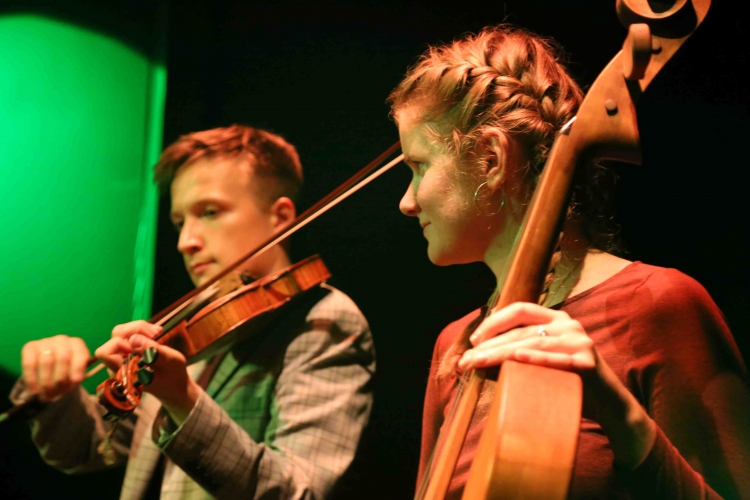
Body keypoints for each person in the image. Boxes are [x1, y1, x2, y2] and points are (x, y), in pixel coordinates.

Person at [388, 26, 750, 499]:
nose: (407, 202)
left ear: (490, 159)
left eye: (418, 166)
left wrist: (621, 415)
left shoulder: (658, 304)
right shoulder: (456, 345)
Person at [11, 125, 375, 499]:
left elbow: (300, 492)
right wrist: (55, 389)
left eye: (210, 212)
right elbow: (88, 449)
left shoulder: (323, 322)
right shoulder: (197, 326)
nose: (186, 241)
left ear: (280, 217)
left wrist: (182, 398)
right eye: (179, 222)